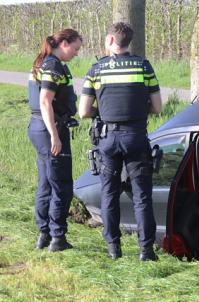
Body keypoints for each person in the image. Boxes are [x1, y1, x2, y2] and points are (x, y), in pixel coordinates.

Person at [79, 22, 162, 261]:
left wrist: (103, 112)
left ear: (111, 41)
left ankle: (113, 249)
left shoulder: (96, 70)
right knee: (142, 196)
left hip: (108, 138)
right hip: (136, 137)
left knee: (109, 194)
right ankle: (146, 251)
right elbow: (157, 107)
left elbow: (83, 111)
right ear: (128, 42)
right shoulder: (144, 66)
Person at [28, 29, 82, 252]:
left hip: (39, 127)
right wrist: (55, 136)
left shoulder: (43, 62)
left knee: (46, 183)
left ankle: (44, 234)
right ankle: (57, 238)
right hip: (49, 129)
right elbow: (45, 102)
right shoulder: (52, 65)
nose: (77, 53)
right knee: (61, 186)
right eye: (76, 48)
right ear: (64, 43)